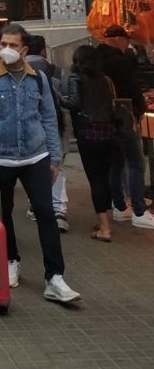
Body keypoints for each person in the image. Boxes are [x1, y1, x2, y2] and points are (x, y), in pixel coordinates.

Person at [0, 23, 81, 304]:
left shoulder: (38, 79)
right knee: (3, 214)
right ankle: (10, 260)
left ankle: (55, 277)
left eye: (13, 45)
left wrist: (55, 158)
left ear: (24, 50)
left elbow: (49, 119)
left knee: (46, 214)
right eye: (3, 44)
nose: (6, 50)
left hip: (35, 155)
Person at [97, 25, 154, 229]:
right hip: (124, 116)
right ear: (119, 39)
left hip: (104, 119)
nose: (128, 44)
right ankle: (139, 210)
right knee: (136, 163)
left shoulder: (96, 58)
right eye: (126, 40)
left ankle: (119, 206)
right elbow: (131, 87)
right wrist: (140, 107)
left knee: (116, 162)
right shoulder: (118, 61)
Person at [61, 46, 117, 241]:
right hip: (108, 131)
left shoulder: (77, 78)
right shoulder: (104, 79)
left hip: (88, 133)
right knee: (104, 176)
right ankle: (105, 220)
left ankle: (105, 228)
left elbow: (74, 103)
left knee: (95, 179)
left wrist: (58, 95)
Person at [25, 35, 69, 232]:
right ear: (43, 50)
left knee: (31, 167)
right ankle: (58, 210)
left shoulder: (10, 72)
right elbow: (66, 99)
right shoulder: (55, 70)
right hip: (54, 124)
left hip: (26, 128)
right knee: (55, 165)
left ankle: (36, 205)